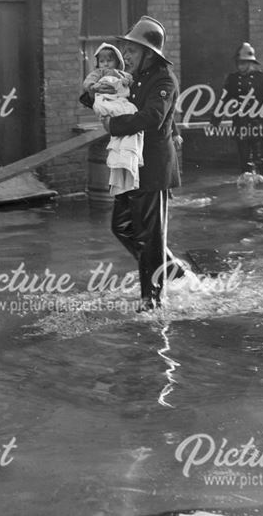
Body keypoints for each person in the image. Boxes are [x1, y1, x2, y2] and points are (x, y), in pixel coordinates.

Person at [80, 16, 186, 311]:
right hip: (131, 164)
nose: (125, 56)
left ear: (149, 54)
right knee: (122, 226)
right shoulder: (137, 77)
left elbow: (152, 118)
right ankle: (171, 268)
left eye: (132, 51)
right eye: (125, 50)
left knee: (149, 235)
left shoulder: (164, 80)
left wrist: (113, 126)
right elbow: (119, 100)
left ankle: (152, 299)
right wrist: (91, 95)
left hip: (152, 168)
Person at [83, 43, 141, 196]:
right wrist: (94, 88)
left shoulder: (122, 73)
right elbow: (88, 83)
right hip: (104, 99)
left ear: (118, 61)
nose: (106, 64)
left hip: (119, 100)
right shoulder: (99, 73)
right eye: (102, 61)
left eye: (109, 60)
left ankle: (127, 160)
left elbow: (129, 81)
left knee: (130, 109)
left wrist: (127, 81)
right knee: (109, 109)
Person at [219, 42, 263, 176]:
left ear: (251, 63)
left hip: (262, 125)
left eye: (244, 63)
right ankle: (247, 194)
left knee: (262, 164)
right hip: (242, 125)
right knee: (245, 164)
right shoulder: (233, 79)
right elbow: (224, 100)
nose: (240, 66)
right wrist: (216, 120)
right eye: (239, 63)